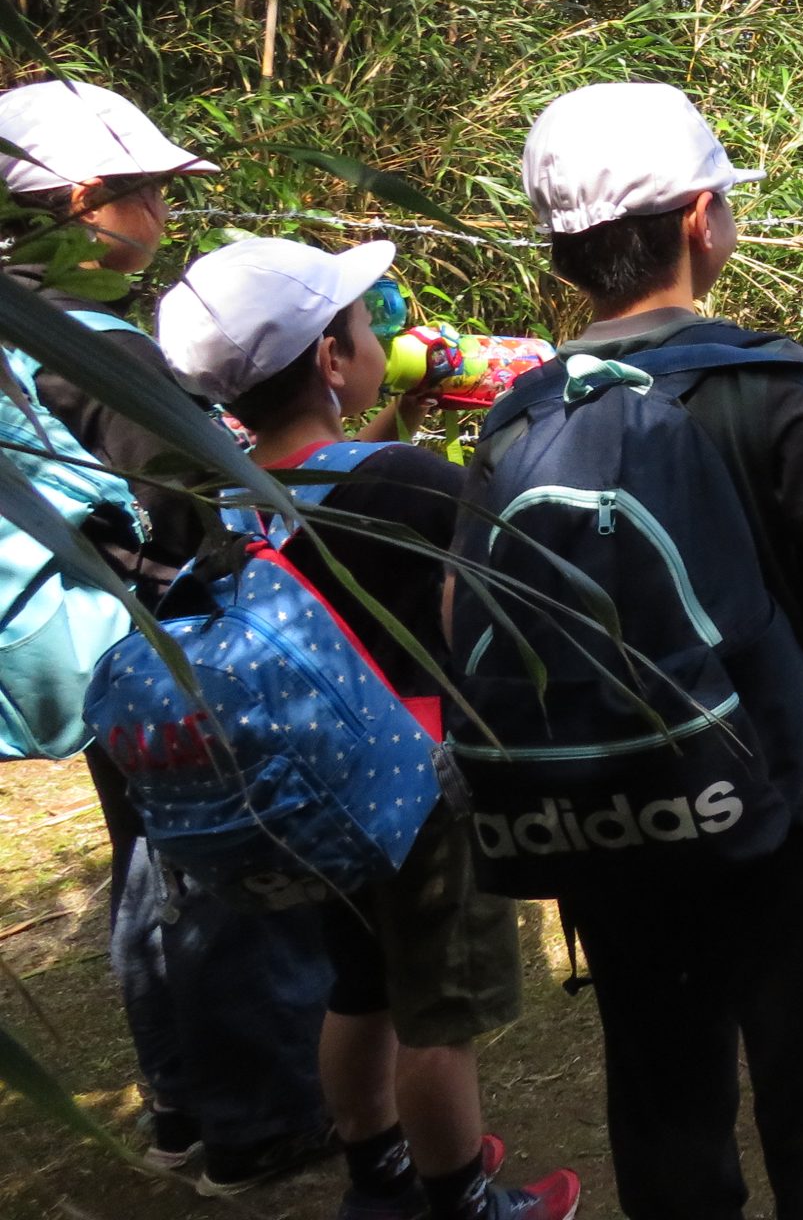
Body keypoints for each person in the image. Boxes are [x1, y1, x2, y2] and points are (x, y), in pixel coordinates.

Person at [503, 81, 803, 1220]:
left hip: (617, 812)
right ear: (699, 220)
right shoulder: (772, 384)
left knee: (664, 1090)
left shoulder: (521, 414)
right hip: (794, 800)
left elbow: (462, 621)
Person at [158, 236, 580, 1220]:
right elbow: (468, 623)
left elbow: (325, 507)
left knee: (359, 988)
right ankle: (461, 1195)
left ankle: (378, 1167)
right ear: (328, 359)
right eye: (362, 325)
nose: (375, 335)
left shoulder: (234, 493)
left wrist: (399, 426)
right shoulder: (401, 484)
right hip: (418, 789)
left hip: (317, 790)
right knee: (439, 1010)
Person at [0, 76, 340, 1196]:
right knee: (220, 885)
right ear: (88, 200)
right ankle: (260, 1125)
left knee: (151, 874)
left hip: (82, 646)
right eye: (148, 195)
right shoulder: (90, 346)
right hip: (160, 652)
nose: (160, 219)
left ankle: (182, 1105)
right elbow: (196, 505)